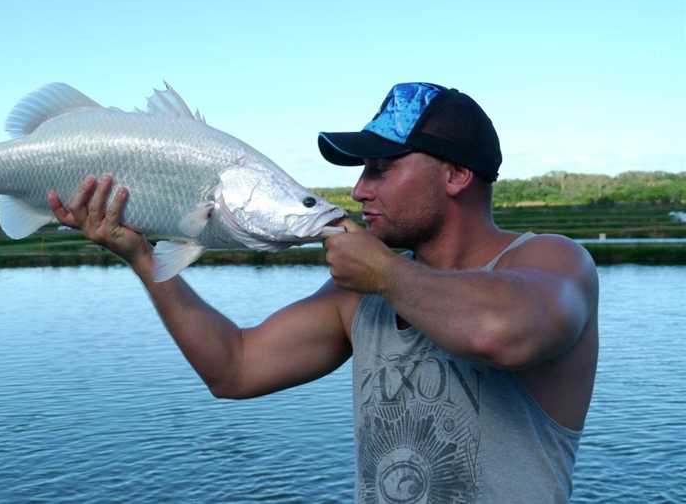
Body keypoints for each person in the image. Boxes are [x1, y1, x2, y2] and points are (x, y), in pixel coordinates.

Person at [47, 82, 598, 503]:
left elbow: (501, 332)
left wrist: (383, 272)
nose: (360, 189)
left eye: (382, 168)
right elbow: (234, 369)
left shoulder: (549, 260)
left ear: (456, 175)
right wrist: (143, 258)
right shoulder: (357, 297)